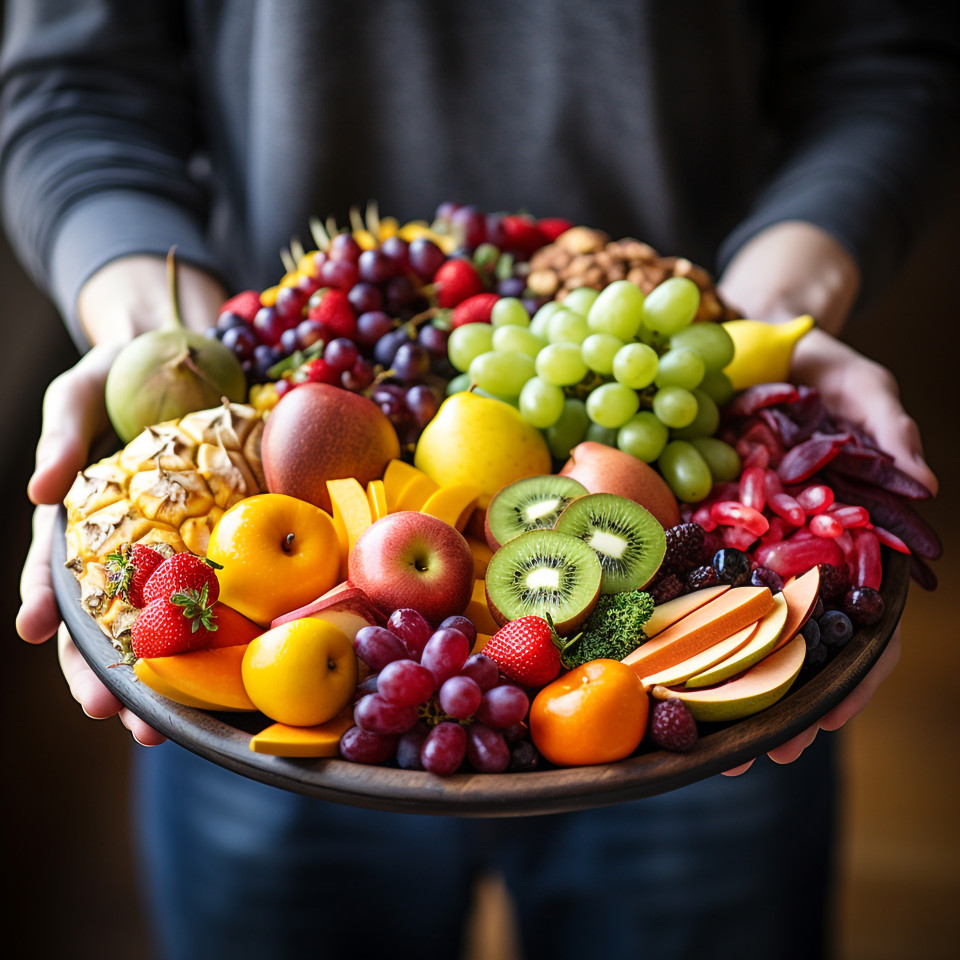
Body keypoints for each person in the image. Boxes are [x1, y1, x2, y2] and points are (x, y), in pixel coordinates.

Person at [5, 2, 955, 958]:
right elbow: (74, 85)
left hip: (688, 699)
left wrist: (775, 315)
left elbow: (883, 61)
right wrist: (157, 351)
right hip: (253, 654)